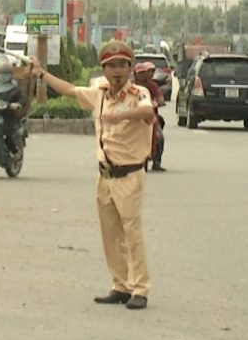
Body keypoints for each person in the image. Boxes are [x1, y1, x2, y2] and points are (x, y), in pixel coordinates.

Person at [31, 41, 155, 310]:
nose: (117, 71)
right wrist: (42, 73)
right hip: (105, 176)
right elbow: (70, 89)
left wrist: (123, 116)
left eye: (122, 65)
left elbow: (148, 113)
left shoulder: (139, 93)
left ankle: (140, 288)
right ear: (104, 69)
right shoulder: (99, 94)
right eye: (111, 66)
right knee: (110, 234)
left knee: (132, 233)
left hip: (130, 174)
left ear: (130, 68)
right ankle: (120, 285)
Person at [133, 61, 167, 172]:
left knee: (160, 137)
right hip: (134, 116)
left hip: (151, 116)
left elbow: (159, 96)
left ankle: (157, 162)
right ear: (135, 74)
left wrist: (158, 102)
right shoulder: (130, 86)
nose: (142, 75)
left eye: (144, 72)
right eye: (139, 73)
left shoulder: (152, 85)